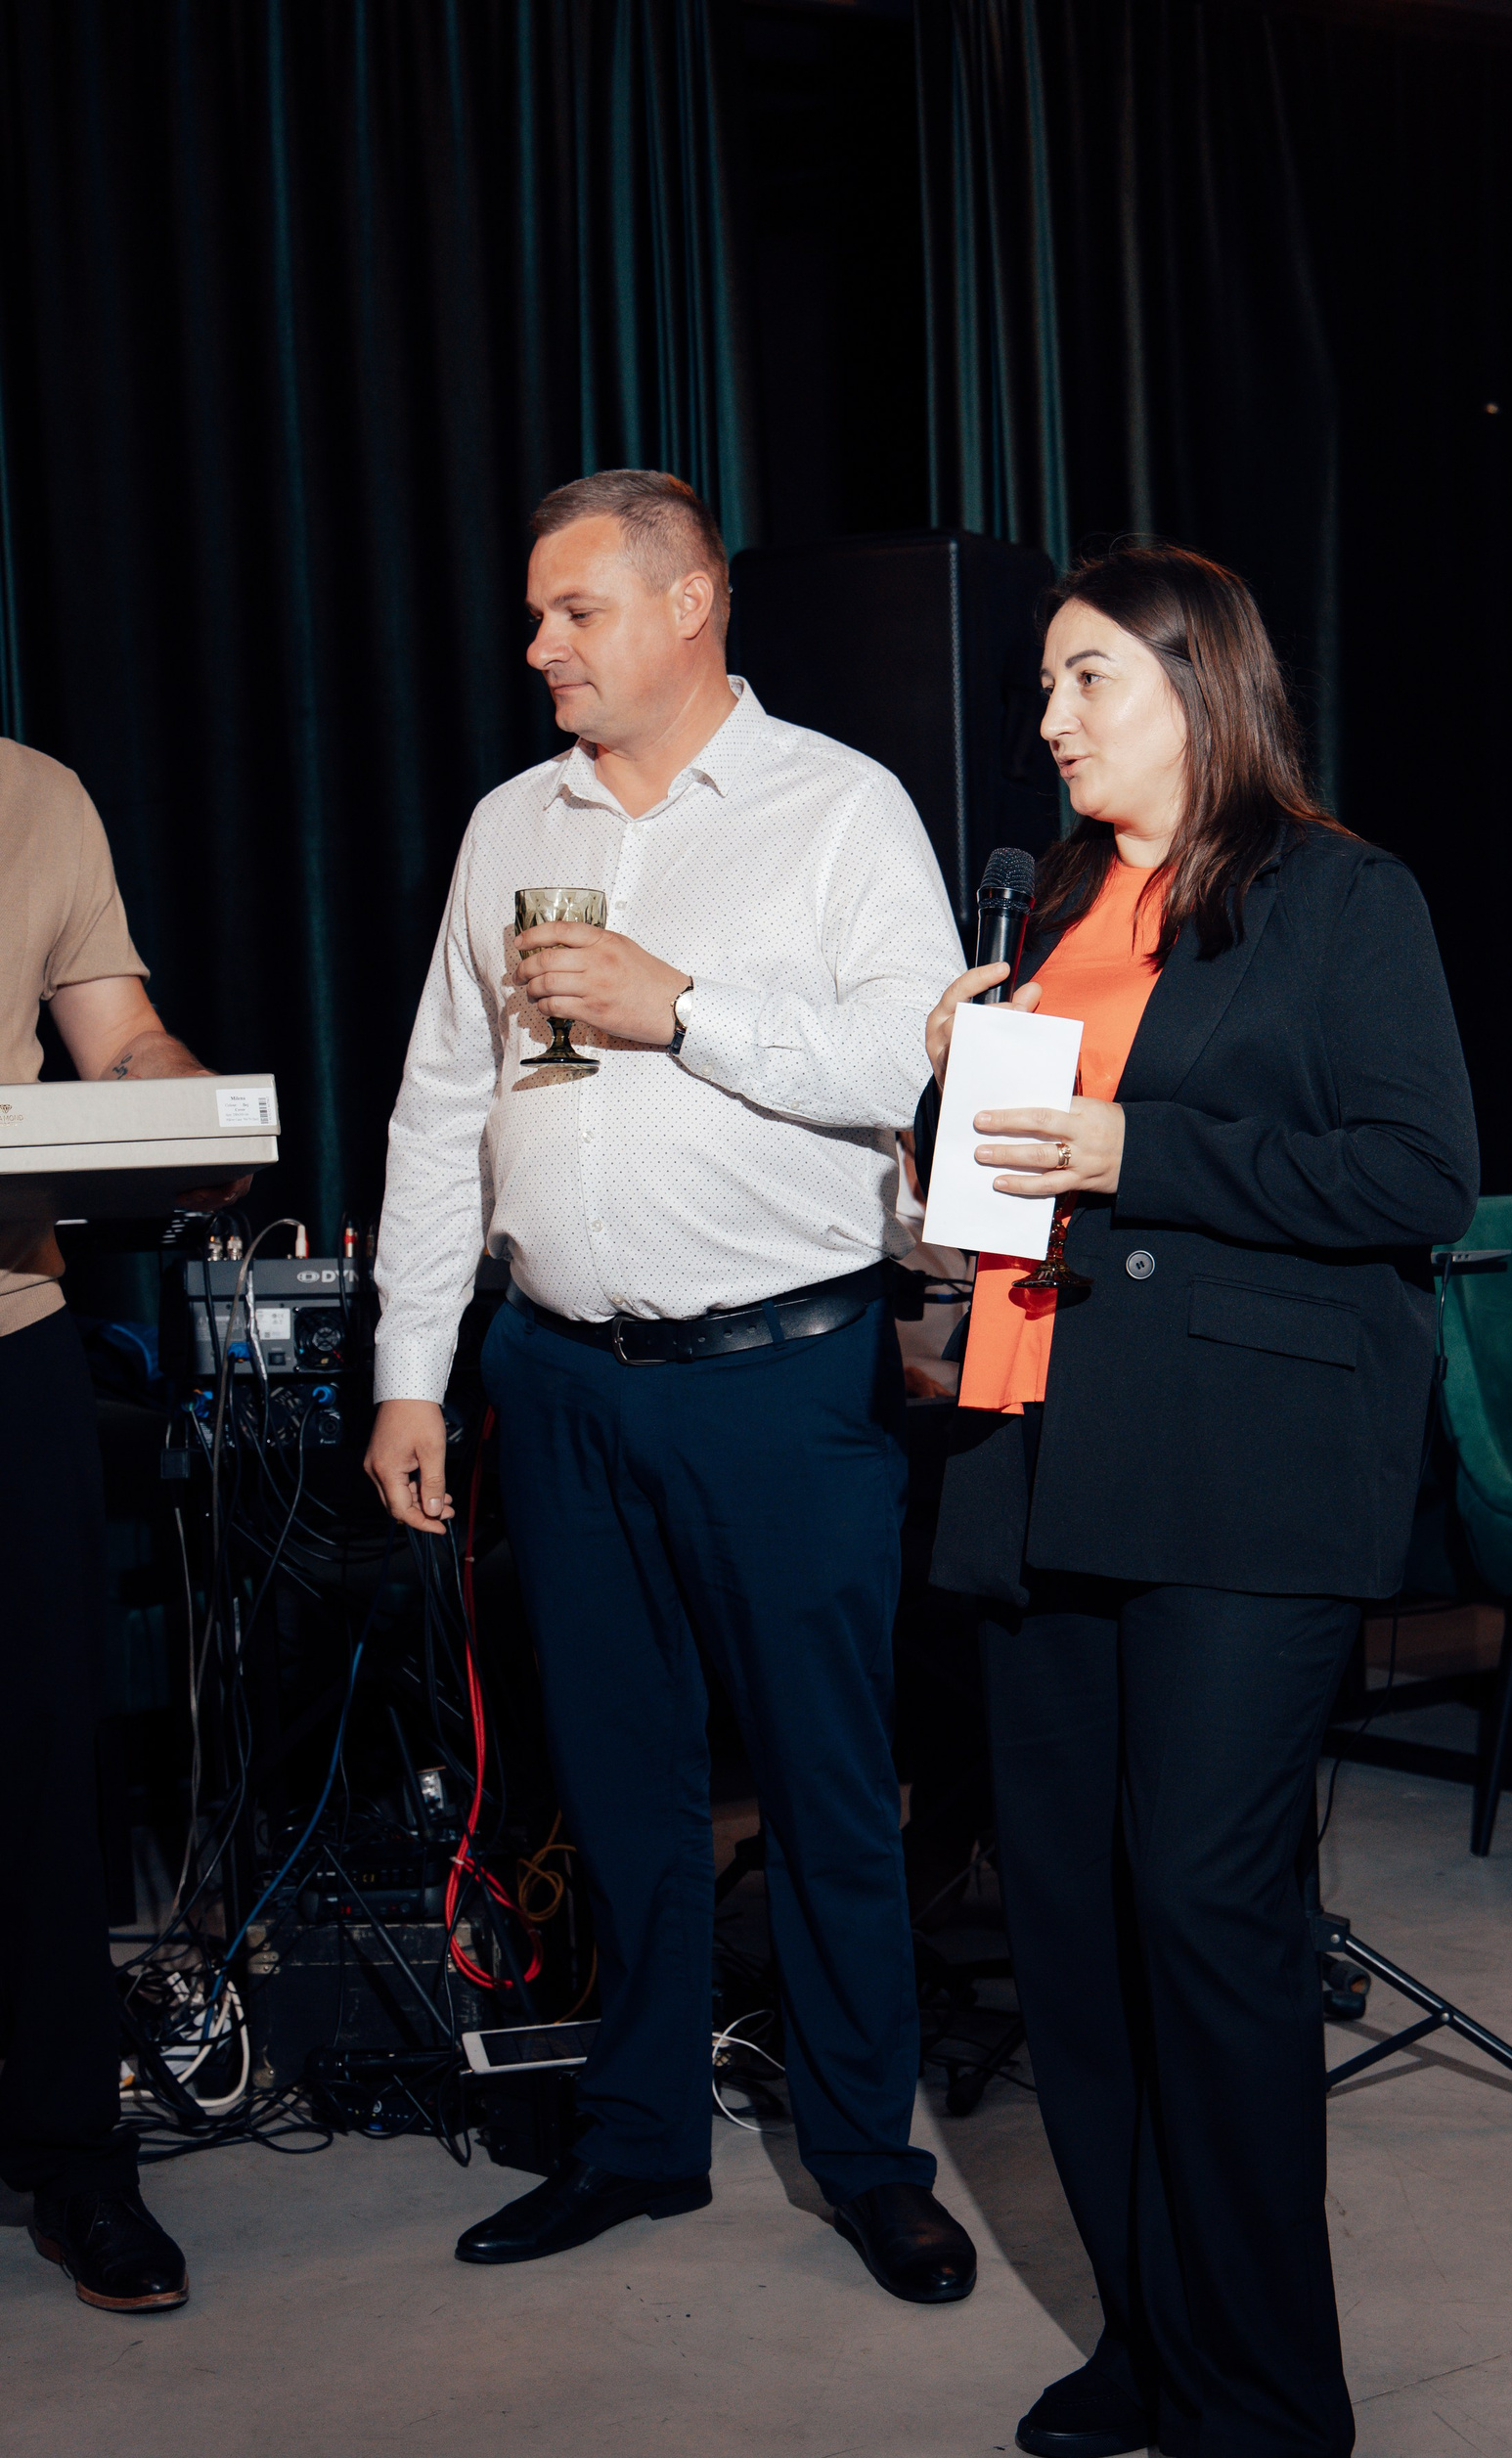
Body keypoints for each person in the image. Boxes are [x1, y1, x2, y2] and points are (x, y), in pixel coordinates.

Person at [918, 543, 1479, 2458]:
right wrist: (950, 1094)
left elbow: (1420, 1176)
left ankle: (1271, 2415)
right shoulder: (1053, 909)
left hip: (1244, 1478)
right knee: (1067, 1928)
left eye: (1088, 680)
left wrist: (1141, 1153)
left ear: (1198, 684)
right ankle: (1155, 2337)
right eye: (1047, 686)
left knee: (1205, 1915)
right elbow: (1005, 1183)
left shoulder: (1339, 895)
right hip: (1037, 1454)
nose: (1050, 719)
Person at [366, 469, 978, 2303]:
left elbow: (911, 1060)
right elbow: (442, 1107)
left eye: (577, 611)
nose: (540, 646)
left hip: (779, 1386)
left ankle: (868, 2158)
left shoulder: (838, 807)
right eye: (537, 616)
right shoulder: (510, 824)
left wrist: (679, 1005)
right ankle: (638, 2139)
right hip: (557, 1384)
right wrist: (411, 1372)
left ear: (691, 604)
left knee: (826, 1787)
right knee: (617, 1787)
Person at [0, 739, 245, 2313]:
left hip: (10, 1334)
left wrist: (184, 1115)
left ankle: (74, 2161)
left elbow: (123, 1035)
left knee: (39, 1765)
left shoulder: (35, 798)